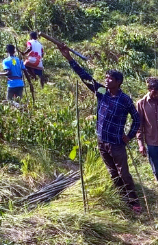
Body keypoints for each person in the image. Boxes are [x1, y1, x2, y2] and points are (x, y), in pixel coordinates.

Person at [56, 42, 142, 213]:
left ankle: (134, 202)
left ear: (118, 82)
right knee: (112, 173)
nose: (106, 80)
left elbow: (137, 119)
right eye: (106, 77)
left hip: (117, 143)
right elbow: (85, 76)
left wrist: (129, 136)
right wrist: (68, 57)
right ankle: (121, 197)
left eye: (110, 78)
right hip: (102, 141)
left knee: (124, 173)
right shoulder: (101, 92)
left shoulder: (124, 99)